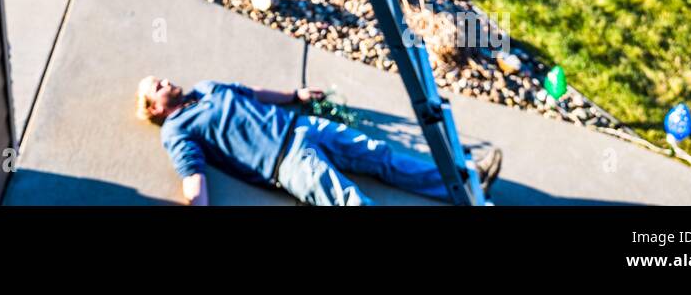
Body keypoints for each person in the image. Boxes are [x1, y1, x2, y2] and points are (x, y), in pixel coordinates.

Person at [136, 76, 502, 206]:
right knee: (352, 202)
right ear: (154, 110)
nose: (165, 81)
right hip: (286, 163)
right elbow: (192, 173)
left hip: (303, 126)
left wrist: (294, 94)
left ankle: (468, 183)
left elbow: (254, 93)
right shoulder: (176, 129)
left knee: (380, 155)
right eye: (157, 86)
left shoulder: (206, 87)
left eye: (162, 78)